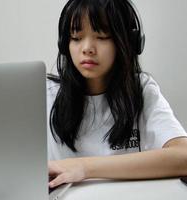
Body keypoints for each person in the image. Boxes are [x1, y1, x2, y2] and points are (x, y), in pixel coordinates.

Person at [47, 0, 187, 188]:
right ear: (65, 44)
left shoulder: (141, 90)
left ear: (127, 42)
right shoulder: (45, 95)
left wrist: (83, 167)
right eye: (76, 37)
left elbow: (183, 156)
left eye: (102, 36)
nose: (87, 48)